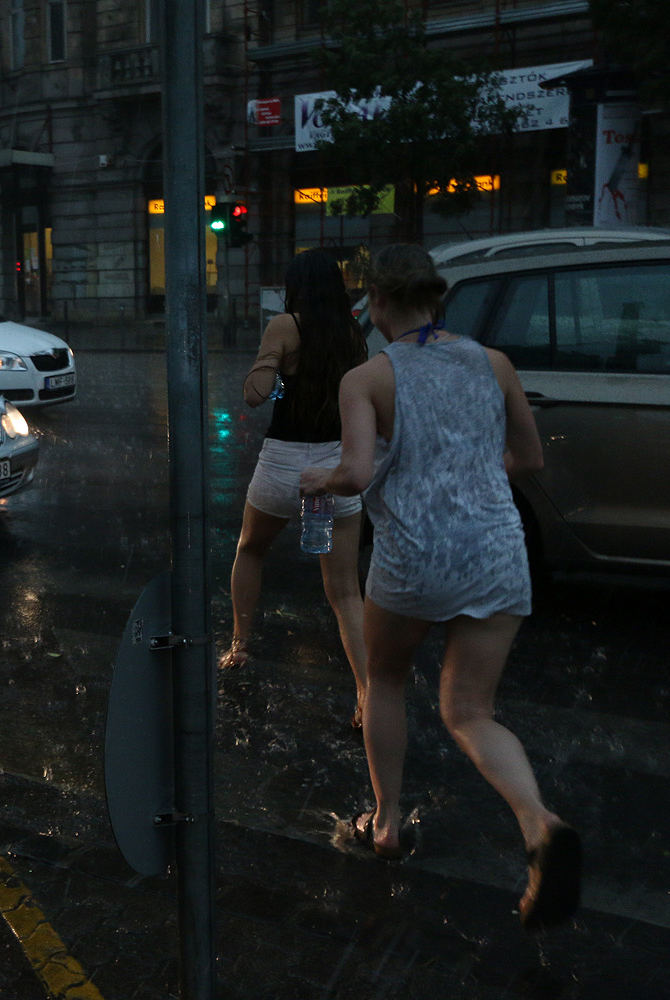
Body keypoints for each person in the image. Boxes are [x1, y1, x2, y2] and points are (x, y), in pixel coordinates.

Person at [299, 244, 580, 929]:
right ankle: (539, 824)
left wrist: (316, 481)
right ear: (440, 299)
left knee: (386, 681)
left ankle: (388, 823)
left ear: (380, 304)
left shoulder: (367, 378)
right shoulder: (495, 364)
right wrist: (469, 476)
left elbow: (358, 473)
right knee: (471, 712)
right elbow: (530, 457)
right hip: (495, 551)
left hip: (415, 558)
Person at [221, 250, 369, 729]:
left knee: (252, 548)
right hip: (331, 473)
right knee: (345, 591)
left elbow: (254, 394)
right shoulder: (351, 332)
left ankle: (240, 644)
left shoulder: (286, 324)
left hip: (284, 467)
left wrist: (271, 365)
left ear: (296, 285)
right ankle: (367, 694)